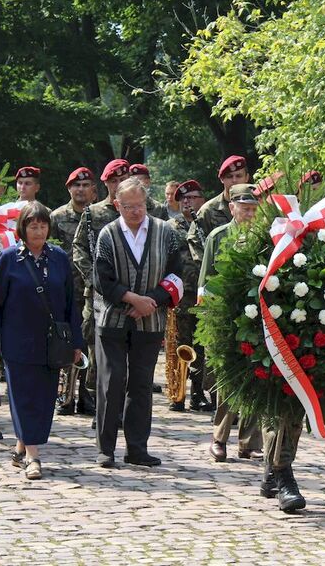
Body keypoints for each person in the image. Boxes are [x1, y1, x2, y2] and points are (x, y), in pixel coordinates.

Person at [0, 201, 83, 480]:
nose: (38, 231)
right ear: (22, 229)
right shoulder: (8, 258)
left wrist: (76, 342)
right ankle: (33, 456)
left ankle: (20, 448)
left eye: (42, 225)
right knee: (23, 397)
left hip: (51, 344)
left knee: (43, 399)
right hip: (18, 342)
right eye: (32, 226)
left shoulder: (60, 258)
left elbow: (69, 304)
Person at [93, 177, 183, 468]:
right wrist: (132, 300)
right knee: (112, 380)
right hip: (113, 321)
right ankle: (106, 448)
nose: (135, 212)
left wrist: (151, 302)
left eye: (140, 205)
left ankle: (137, 448)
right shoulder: (107, 234)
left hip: (150, 320)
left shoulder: (164, 232)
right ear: (118, 205)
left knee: (141, 384)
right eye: (129, 206)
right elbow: (102, 280)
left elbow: (176, 275)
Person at [200, 183, 264, 463]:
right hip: (226, 317)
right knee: (228, 382)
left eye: (253, 209)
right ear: (232, 208)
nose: (249, 214)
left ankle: (249, 442)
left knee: (257, 378)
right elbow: (205, 284)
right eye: (244, 208)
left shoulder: (264, 237)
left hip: (257, 318)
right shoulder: (219, 236)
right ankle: (219, 438)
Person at [74, 158, 132, 427]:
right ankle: (102, 410)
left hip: (133, 297)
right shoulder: (92, 214)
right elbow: (79, 249)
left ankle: (123, 410)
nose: (119, 184)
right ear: (106, 184)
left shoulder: (142, 210)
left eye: (123, 179)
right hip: (99, 297)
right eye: (114, 181)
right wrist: (95, 279)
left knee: (130, 357)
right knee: (99, 356)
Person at [51, 166, 97, 417]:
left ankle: (87, 395)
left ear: (94, 190)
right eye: (76, 185)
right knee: (65, 341)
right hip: (65, 290)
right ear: (69, 189)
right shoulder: (57, 217)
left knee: (90, 342)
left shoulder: (99, 216)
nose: (80, 189)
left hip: (92, 290)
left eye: (85, 185)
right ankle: (64, 395)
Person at [167, 179, 213, 412]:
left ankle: (197, 394)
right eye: (183, 198)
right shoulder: (169, 227)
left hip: (201, 295)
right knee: (179, 344)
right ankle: (177, 393)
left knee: (200, 346)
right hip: (180, 296)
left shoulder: (206, 226)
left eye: (193, 197)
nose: (188, 202)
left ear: (202, 200)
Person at [186, 155, 251, 264]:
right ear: (222, 179)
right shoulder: (208, 210)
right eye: (229, 176)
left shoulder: (256, 208)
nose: (234, 180)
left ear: (247, 177)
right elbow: (195, 243)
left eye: (239, 176)